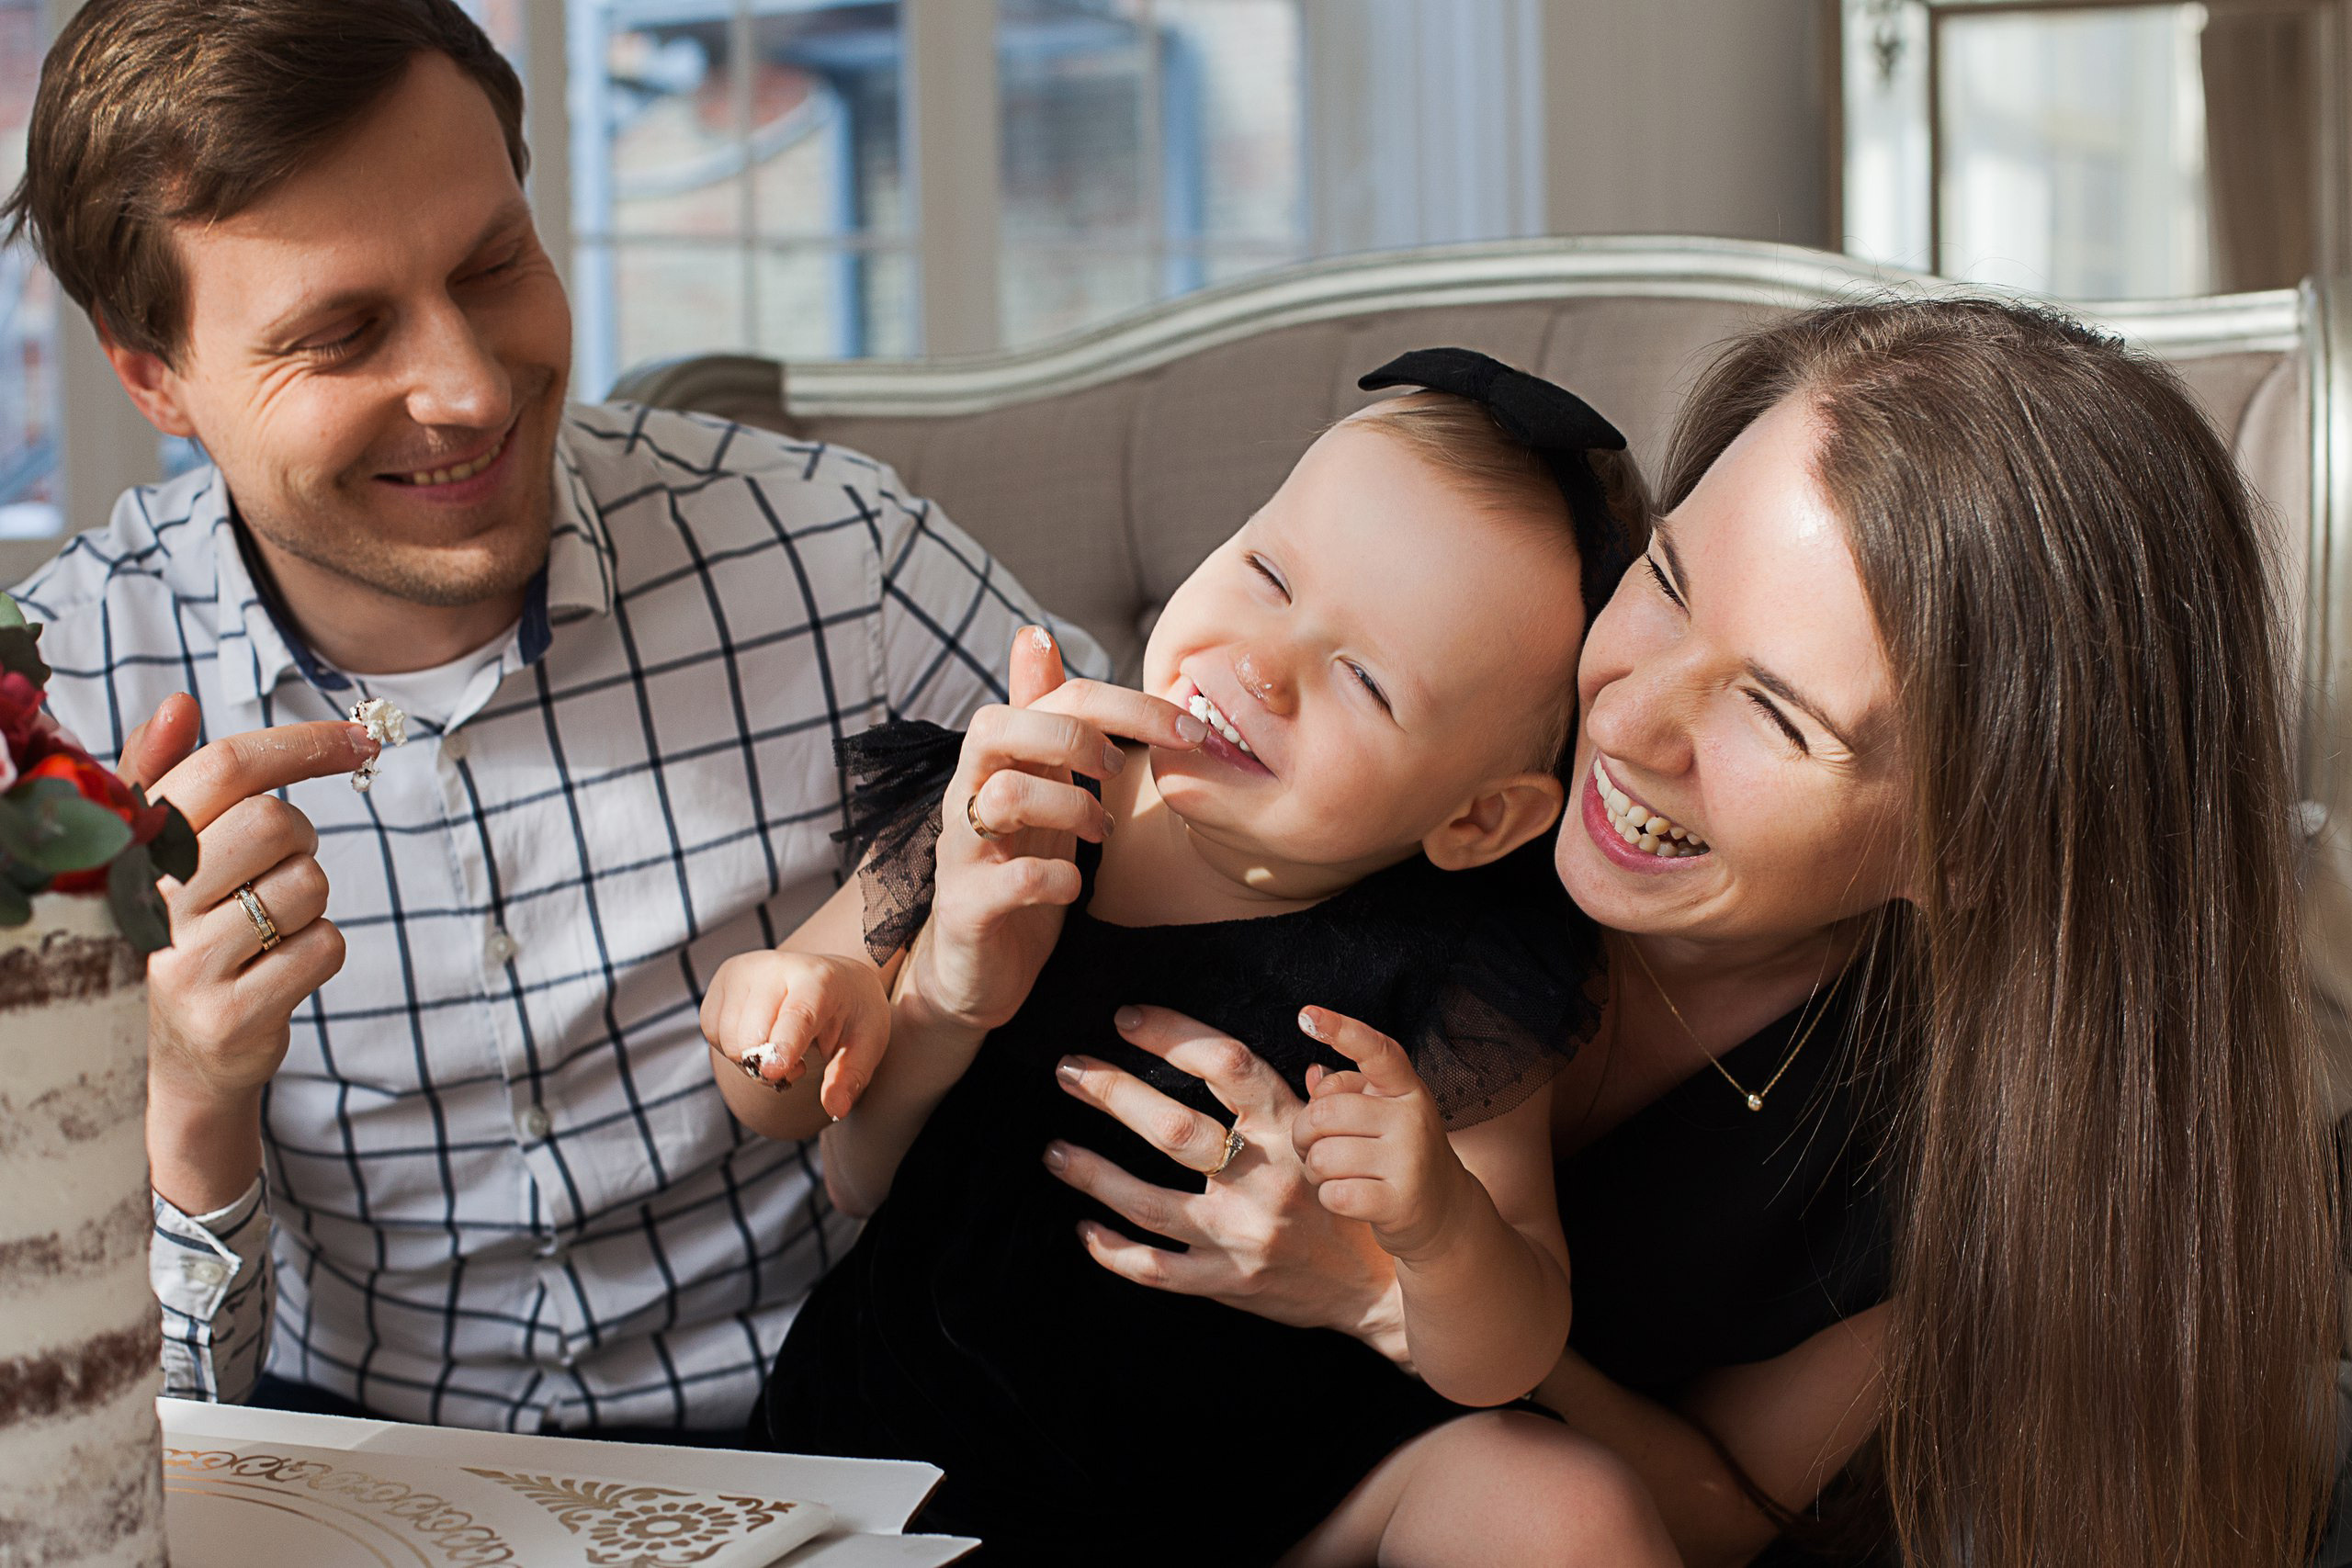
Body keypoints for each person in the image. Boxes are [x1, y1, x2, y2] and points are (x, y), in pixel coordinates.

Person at [1007, 300, 2343, 1567]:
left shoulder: (1989, 1132)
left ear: (1972, 845)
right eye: (1667, 581)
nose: (1630, 724)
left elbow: (1720, 1514)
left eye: (1774, 714)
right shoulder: (1424, 760)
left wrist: (1383, 1291)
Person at [1, 0, 1102, 1436]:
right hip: (340, 1460)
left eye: (494, 264)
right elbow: (84, 1440)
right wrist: (190, 1099)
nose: (467, 390)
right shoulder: (54, 725)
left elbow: (1144, 810)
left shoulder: (837, 551)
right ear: (152, 376)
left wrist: (890, 919)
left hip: (850, 1407)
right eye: (340, 335)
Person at [699, 355, 1679, 1564]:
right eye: (1269, 572)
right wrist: (803, 1002)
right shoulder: (1019, 792)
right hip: (921, 1436)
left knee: (1562, 1505)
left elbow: (1510, 1353)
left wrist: (1436, 1231)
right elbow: (824, 1141)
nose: (1263, 664)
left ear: (1475, 819)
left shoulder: (1455, 975)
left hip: (1274, 1484)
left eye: (1363, 679)